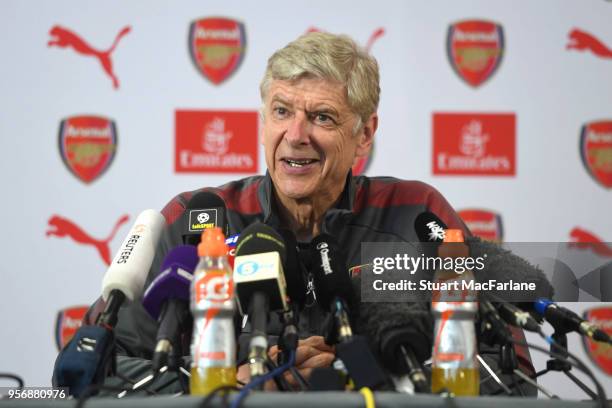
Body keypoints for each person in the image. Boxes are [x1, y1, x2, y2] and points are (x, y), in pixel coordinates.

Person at [72, 31, 549, 394]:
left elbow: (511, 370)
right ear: (263, 120)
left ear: (364, 135)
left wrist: (357, 378)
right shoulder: (198, 221)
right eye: (281, 111)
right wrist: (228, 382)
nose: (296, 134)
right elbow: (95, 369)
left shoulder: (413, 217)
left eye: (321, 117)